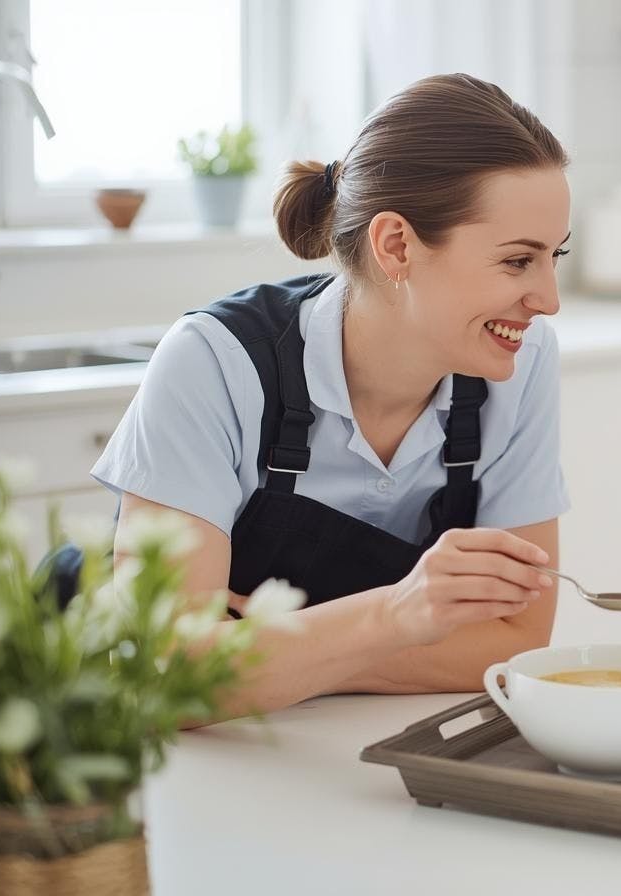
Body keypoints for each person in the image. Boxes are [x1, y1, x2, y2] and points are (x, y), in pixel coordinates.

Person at [91, 74, 572, 721]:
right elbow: (167, 671)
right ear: (397, 245)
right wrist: (402, 614)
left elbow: (517, 639)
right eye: (518, 262)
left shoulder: (520, 362)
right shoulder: (215, 362)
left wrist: (266, 653)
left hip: (344, 746)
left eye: (554, 258)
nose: (548, 299)